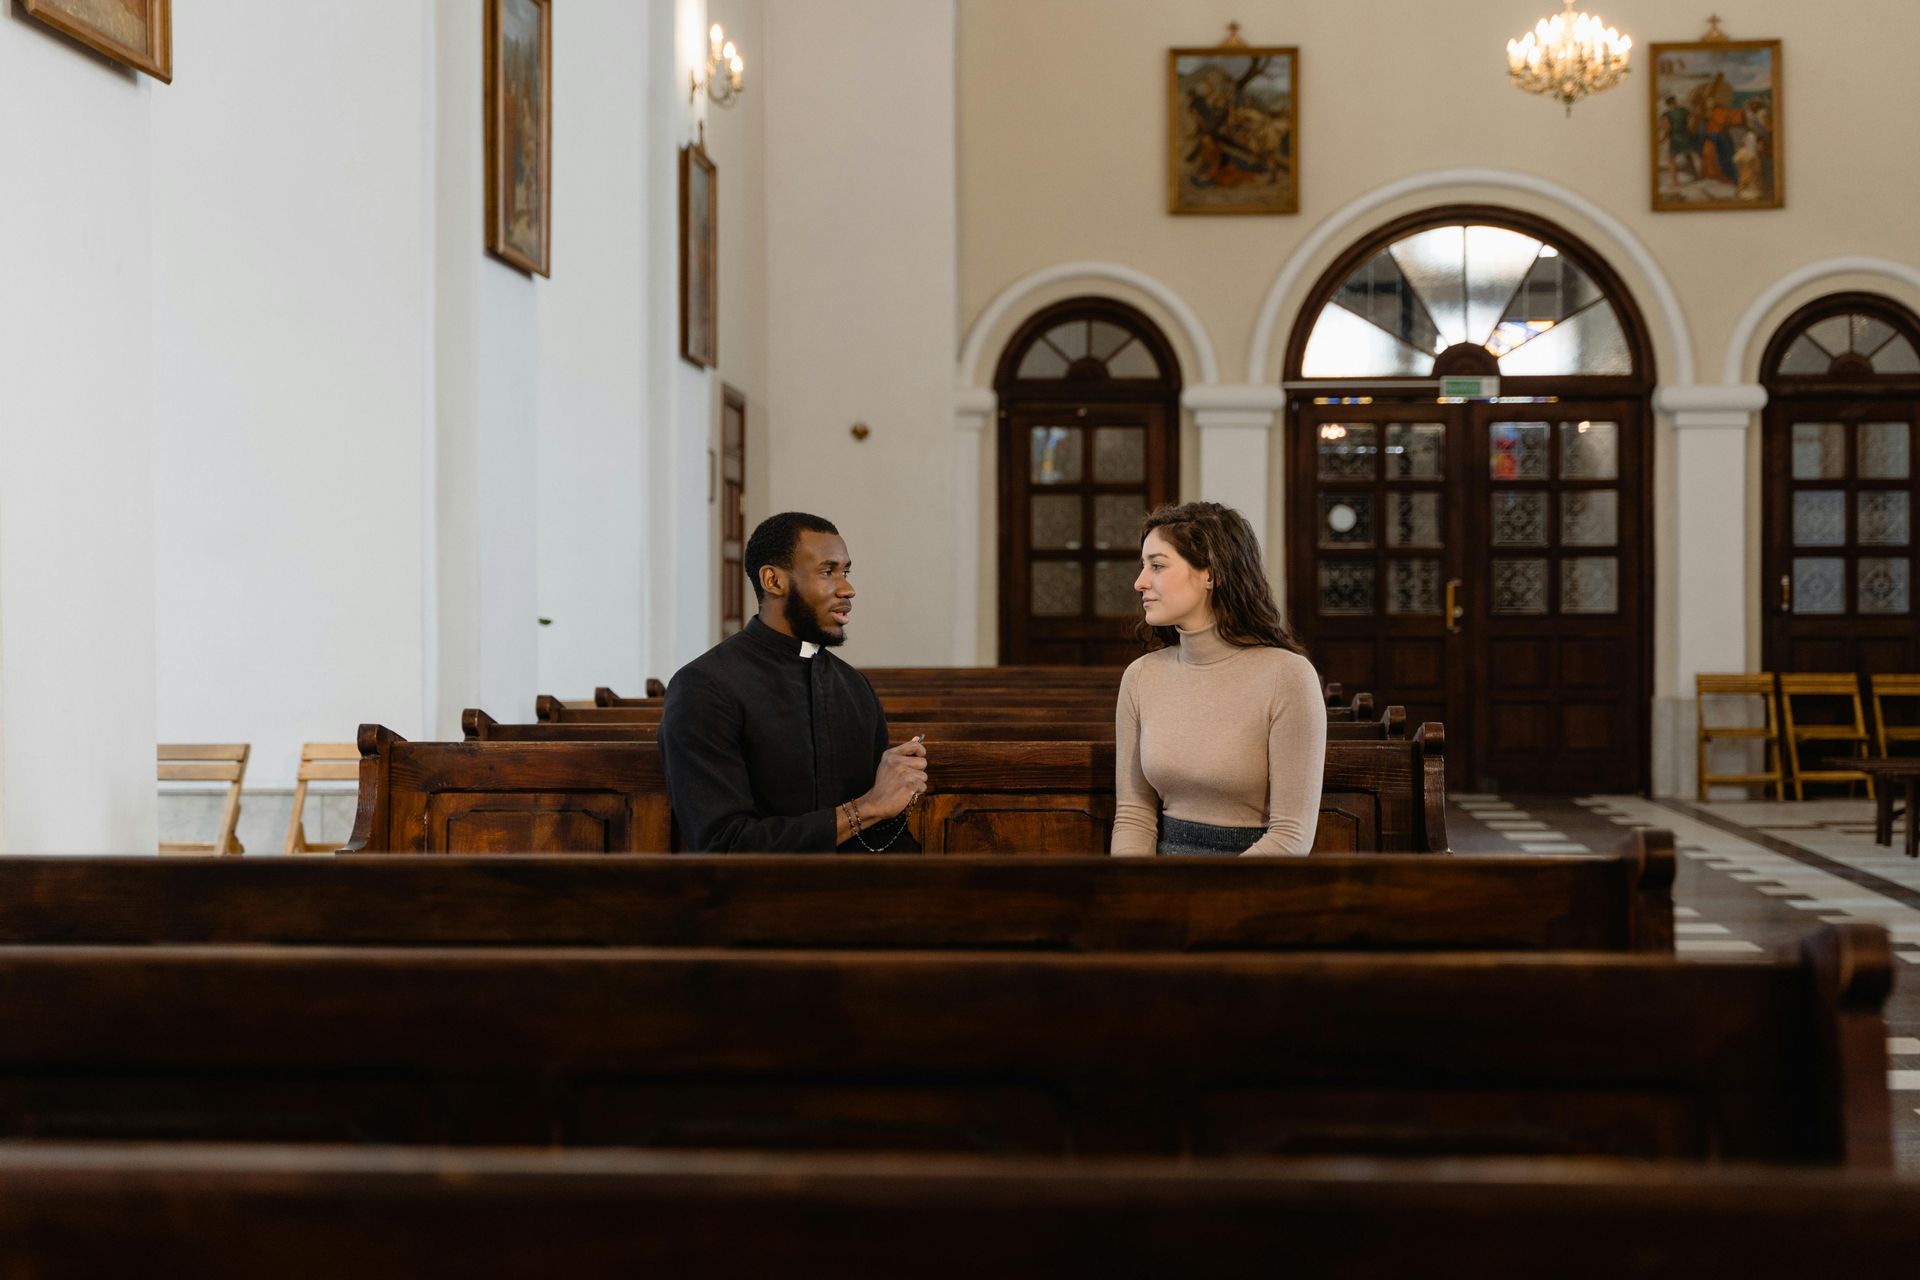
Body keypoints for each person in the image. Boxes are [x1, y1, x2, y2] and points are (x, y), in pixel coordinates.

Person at [660, 511, 926, 852]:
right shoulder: (704, 687)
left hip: (859, 897)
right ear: (773, 581)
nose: (848, 588)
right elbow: (724, 845)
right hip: (753, 900)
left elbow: (884, 837)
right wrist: (867, 808)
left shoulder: (855, 687)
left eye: (845, 571)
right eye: (828, 571)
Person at [1110, 502, 1325, 857]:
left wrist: (1203, 899)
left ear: (1210, 572)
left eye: (1157, 566)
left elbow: (1291, 835)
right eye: (1143, 566)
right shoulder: (1140, 676)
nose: (1140, 582)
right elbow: (1134, 817)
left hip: (1253, 882)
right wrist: (1136, 892)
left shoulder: (1288, 676)